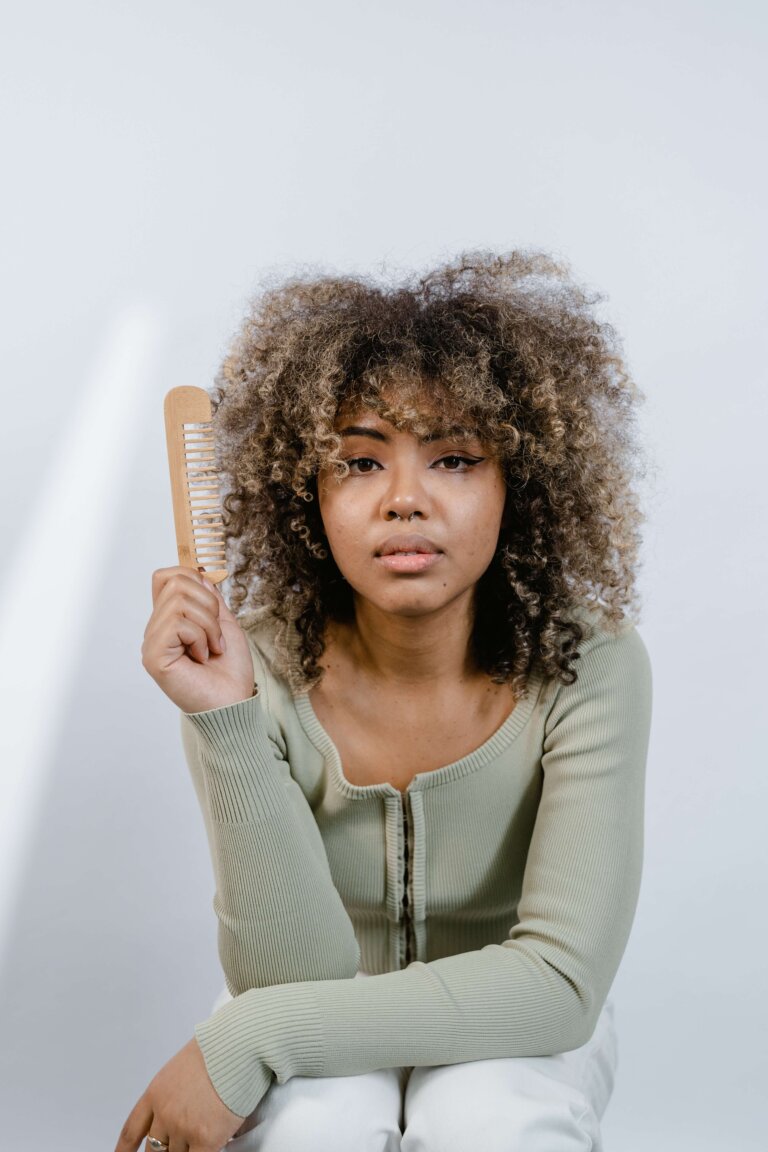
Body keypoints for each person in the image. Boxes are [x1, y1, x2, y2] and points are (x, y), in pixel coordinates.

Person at [118, 250, 653, 1152]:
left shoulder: (588, 662)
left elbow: (559, 985)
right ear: (307, 493)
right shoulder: (255, 664)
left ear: (515, 484)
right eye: (360, 463)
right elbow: (293, 975)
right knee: (305, 1130)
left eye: (453, 457)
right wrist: (225, 717)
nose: (405, 500)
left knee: (495, 1121)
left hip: (514, 1019)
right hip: (313, 995)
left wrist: (248, 1038)